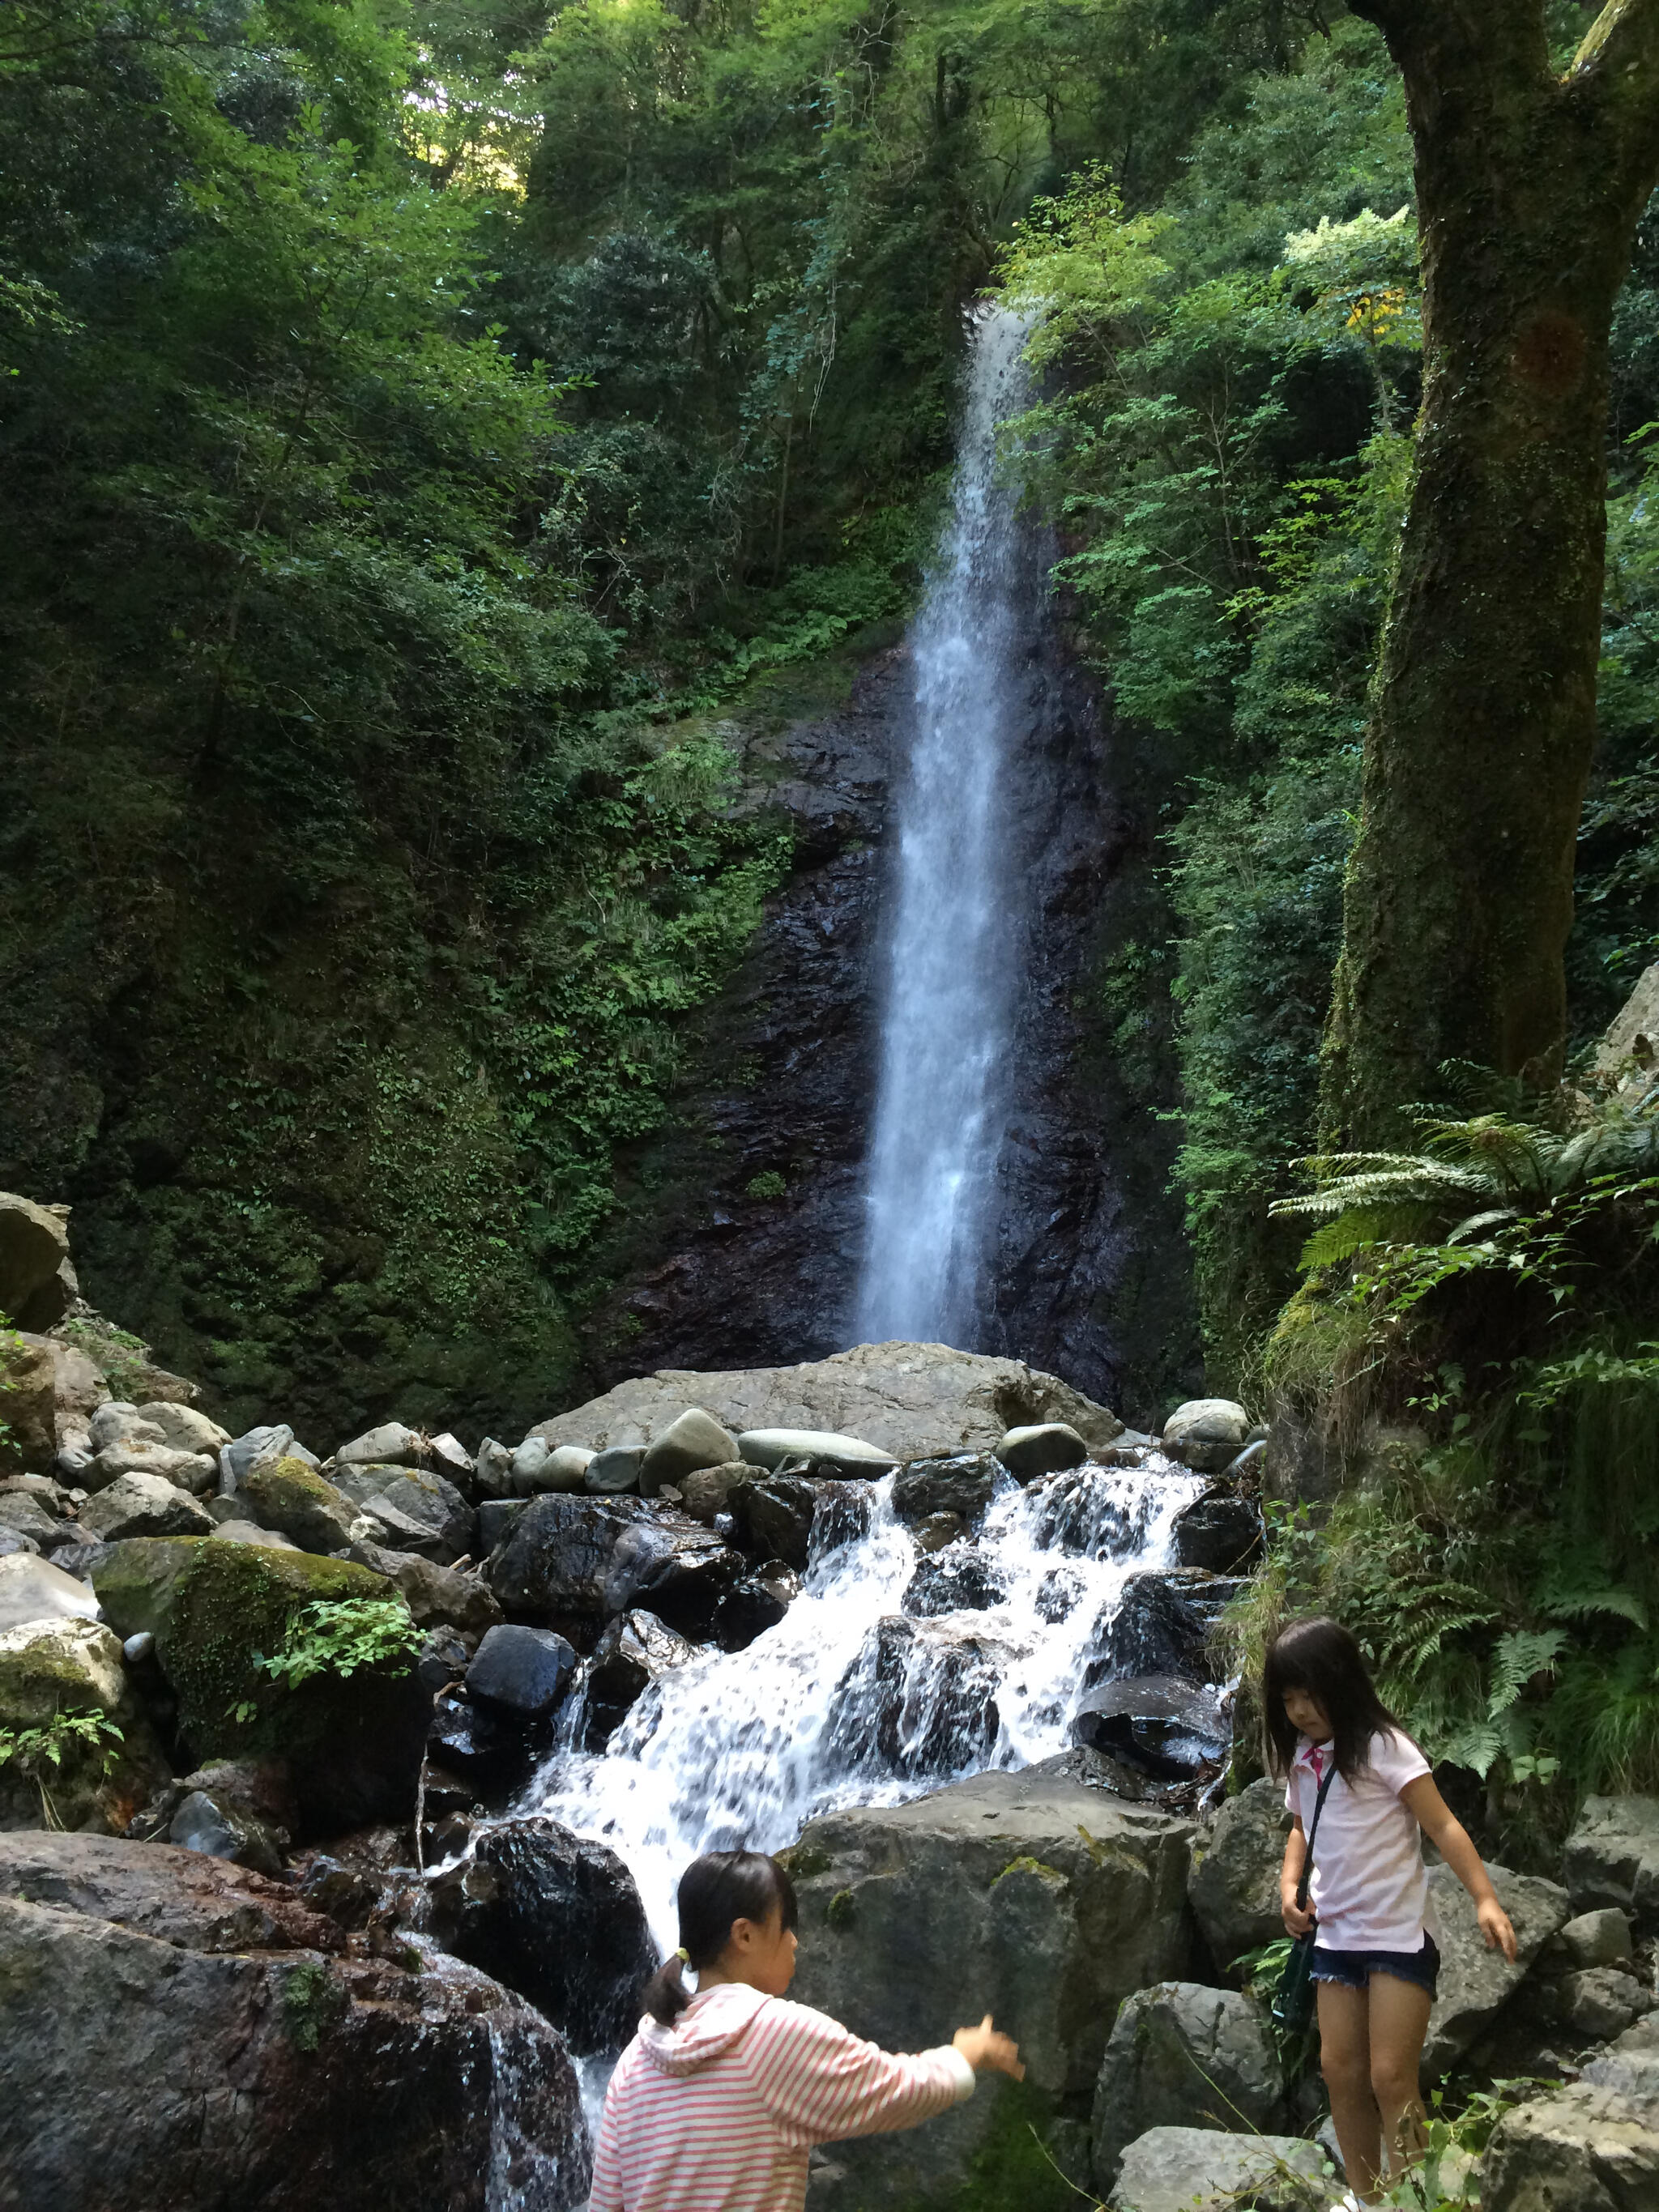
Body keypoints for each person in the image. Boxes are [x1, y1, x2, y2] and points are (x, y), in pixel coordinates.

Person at [589, 1847, 1023, 2212]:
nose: (795, 1942)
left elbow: (607, 2203)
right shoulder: (771, 2034)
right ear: (744, 1935)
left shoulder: (636, 2059)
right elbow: (895, 2089)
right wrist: (965, 2054)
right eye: (786, 1926)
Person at [1264, 1617, 1518, 2210]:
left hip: (1398, 1933)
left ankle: (1411, 2200)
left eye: (1310, 1694)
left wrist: (1484, 1896)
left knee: (1391, 2077)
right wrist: (1288, 1883)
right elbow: (1301, 1826)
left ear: (1343, 1682)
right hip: (1336, 1931)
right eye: (1289, 1698)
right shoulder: (1306, 1755)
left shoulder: (1384, 1746)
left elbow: (1442, 1824)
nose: (1300, 1710)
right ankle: (1366, 2199)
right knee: (1339, 2069)